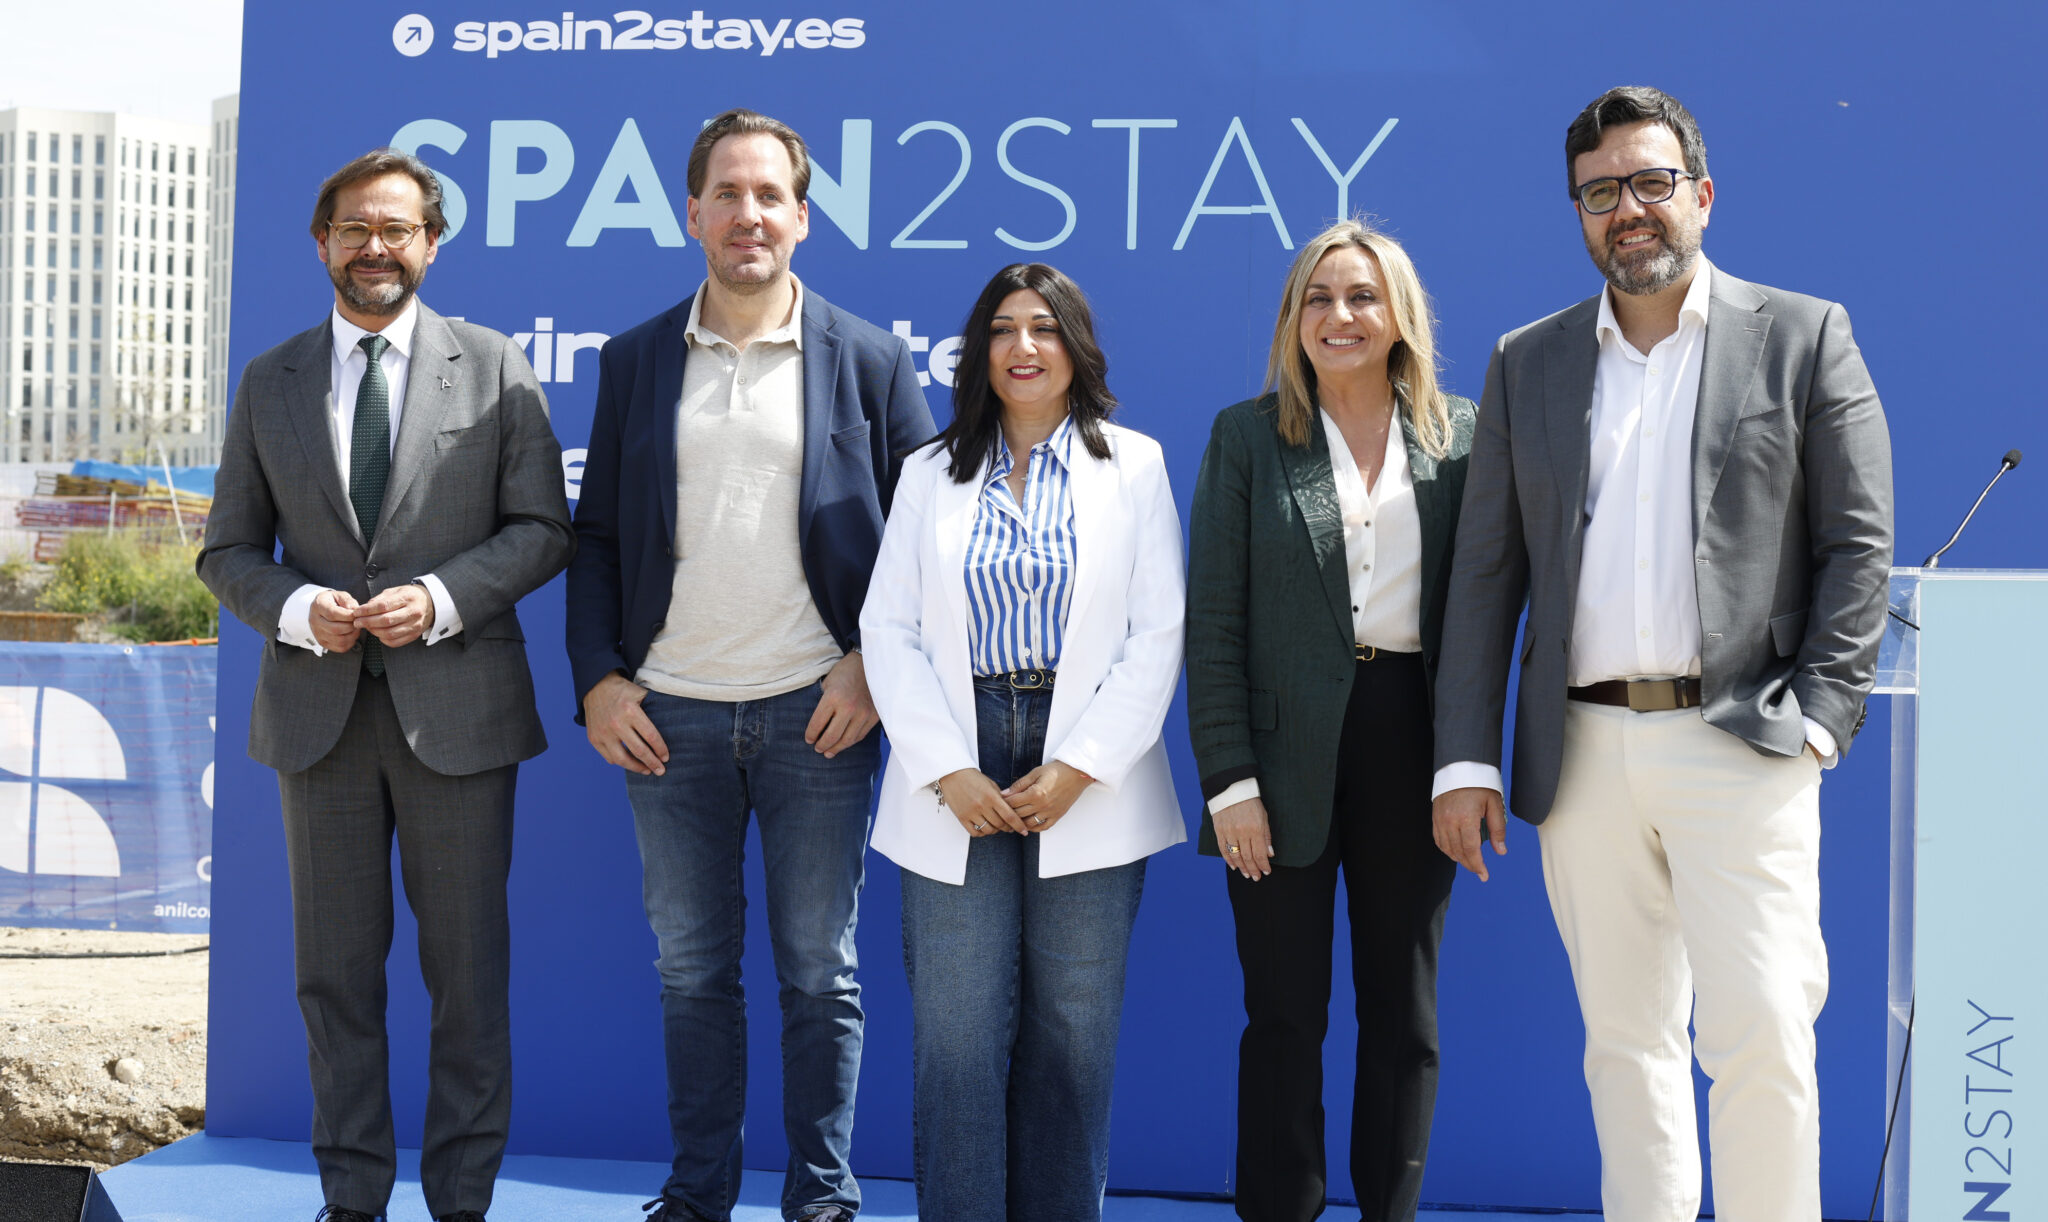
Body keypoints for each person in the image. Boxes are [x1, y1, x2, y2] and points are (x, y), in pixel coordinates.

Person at [1430, 86, 1893, 1221]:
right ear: (1578, 214)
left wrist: (1819, 722)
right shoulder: (1527, 360)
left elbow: (1857, 544)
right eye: (1600, 193)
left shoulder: (1800, 335)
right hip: (1581, 753)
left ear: (1701, 193)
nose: (1627, 210)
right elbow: (1485, 575)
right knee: (1624, 1043)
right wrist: (1464, 758)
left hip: (1742, 742)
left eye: (1649, 182)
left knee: (1762, 1033)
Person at [563, 107, 935, 1222]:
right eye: (726, 193)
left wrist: (870, 665)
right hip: (666, 716)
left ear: (802, 217)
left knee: (821, 971)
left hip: (816, 714)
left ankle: (821, 1196)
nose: (748, 213)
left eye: (769, 194)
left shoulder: (869, 359)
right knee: (690, 973)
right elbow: (597, 538)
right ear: (691, 214)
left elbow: (927, 538)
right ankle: (697, 1195)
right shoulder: (635, 359)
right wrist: (598, 678)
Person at [197, 147, 575, 1222]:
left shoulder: (493, 365)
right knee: (333, 980)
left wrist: (444, 597)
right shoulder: (269, 379)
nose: (376, 248)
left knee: (468, 978)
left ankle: (461, 1201)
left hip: (460, 717)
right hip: (317, 723)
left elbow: (543, 529)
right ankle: (352, 1196)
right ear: (322, 243)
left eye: (397, 229)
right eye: (355, 228)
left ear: (431, 245)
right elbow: (227, 550)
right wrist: (294, 608)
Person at [860, 263, 1186, 1221]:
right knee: (958, 1032)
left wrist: (1082, 766)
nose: (1023, 346)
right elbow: (890, 630)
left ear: (1076, 347)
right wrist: (946, 768)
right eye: (1002, 329)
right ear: (979, 352)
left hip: (1085, 761)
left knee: (1072, 1032)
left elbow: (1158, 632)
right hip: (957, 759)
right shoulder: (929, 472)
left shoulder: (1136, 465)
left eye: (1044, 327)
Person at [1185, 220, 1474, 1222]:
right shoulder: (1245, 437)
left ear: (1400, 316)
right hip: (1276, 757)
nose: (1337, 316)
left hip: (1414, 744)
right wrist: (1229, 783)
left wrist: (1466, 767)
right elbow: (1214, 625)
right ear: (1291, 319)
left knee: (1403, 1014)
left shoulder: (1460, 438)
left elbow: (1484, 617)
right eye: (1317, 298)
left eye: (1360, 296)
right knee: (1282, 1014)